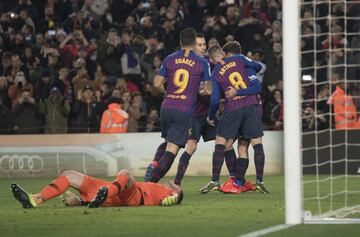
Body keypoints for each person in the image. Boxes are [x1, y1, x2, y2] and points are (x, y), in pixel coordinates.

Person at [143, 33, 215, 185]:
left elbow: (156, 83)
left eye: (204, 45)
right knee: (175, 148)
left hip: (168, 107)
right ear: (192, 45)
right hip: (186, 110)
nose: (203, 48)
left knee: (170, 142)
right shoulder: (202, 63)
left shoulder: (170, 58)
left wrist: (170, 92)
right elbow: (209, 91)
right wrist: (198, 90)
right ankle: (152, 184)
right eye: (200, 45)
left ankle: (155, 165)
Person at [199, 44, 265, 194]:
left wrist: (210, 116)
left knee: (221, 142)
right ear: (222, 53)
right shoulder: (239, 59)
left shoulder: (215, 72)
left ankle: (216, 180)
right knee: (252, 144)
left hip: (233, 108)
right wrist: (249, 67)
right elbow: (257, 67)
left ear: (211, 59)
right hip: (251, 106)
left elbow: (215, 100)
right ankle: (257, 181)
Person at [11, 169, 183, 209]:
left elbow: (173, 199)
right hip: (111, 193)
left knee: (126, 174)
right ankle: (35, 199)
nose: (175, 182)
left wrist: (173, 197)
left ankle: (104, 193)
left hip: (134, 197)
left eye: (177, 185)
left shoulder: (170, 192)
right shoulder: (158, 184)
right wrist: (78, 202)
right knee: (69, 175)